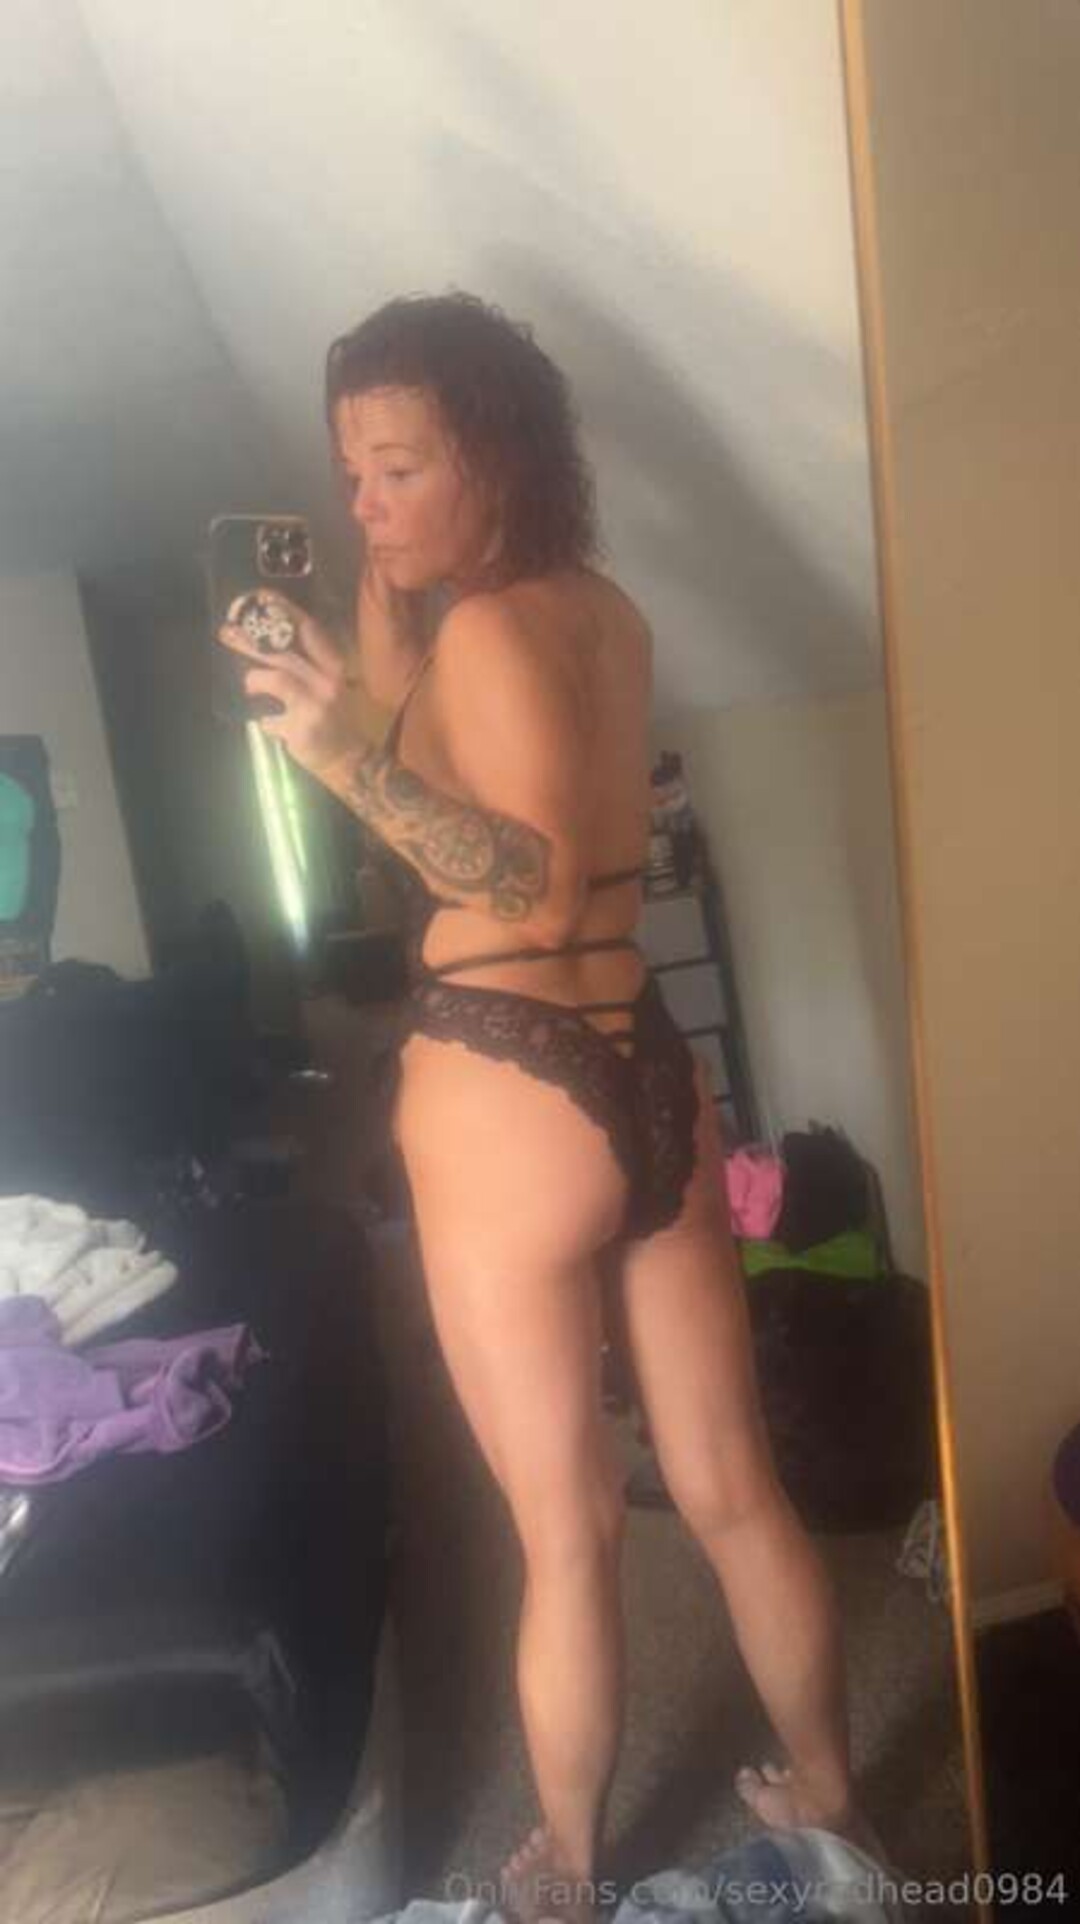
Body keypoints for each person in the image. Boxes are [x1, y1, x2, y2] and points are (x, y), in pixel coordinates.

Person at [218, 292, 878, 1921]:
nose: (365, 503)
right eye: (352, 474)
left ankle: (570, 1872)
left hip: (508, 1077)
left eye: (397, 470)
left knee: (567, 1527)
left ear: (493, 458)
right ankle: (831, 1792)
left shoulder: (493, 633)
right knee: (730, 1482)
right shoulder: (605, 616)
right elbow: (475, 765)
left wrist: (341, 760)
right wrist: (378, 620)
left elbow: (518, 872)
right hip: (642, 1066)